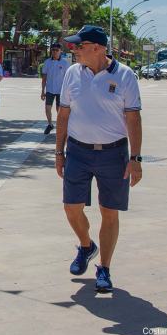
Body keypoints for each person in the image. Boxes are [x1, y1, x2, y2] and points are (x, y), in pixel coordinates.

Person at [54, 25, 143, 293]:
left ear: (97, 48)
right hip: (78, 152)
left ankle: (104, 267)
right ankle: (85, 245)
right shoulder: (72, 73)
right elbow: (64, 114)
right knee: (71, 207)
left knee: (109, 212)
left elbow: (133, 118)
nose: (74, 49)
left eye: (79, 46)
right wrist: (59, 151)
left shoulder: (125, 76)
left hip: (114, 154)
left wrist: (135, 157)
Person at [41, 43, 70, 135]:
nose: (54, 52)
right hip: (50, 89)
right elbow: (44, 77)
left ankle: (60, 126)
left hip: (61, 91)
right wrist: (42, 91)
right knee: (47, 108)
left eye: (57, 50)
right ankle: (50, 124)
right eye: (53, 50)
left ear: (60, 51)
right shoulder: (47, 62)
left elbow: (68, 78)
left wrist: (68, 92)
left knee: (59, 110)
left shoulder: (65, 63)